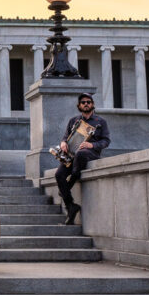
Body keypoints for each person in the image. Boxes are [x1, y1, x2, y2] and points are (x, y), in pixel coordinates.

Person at [54, 92, 111, 225]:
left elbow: (106, 141)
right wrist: (63, 143)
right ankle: (71, 207)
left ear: (93, 105)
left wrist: (91, 144)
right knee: (59, 175)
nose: (86, 104)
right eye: (83, 102)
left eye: (88, 102)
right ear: (79, 105)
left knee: (81, 154)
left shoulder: (100, 122)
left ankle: (67, 186)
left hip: (90, 154)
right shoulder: (74, 121)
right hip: (72, 155)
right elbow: (65, 136)